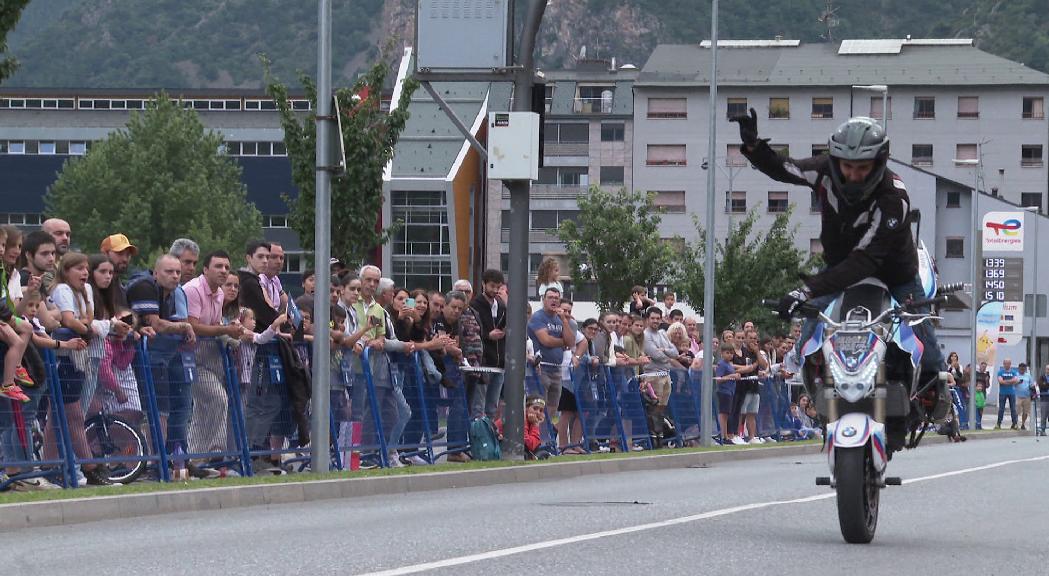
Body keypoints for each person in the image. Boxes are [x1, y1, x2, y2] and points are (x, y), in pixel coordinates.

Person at [734, 109, 945, 452]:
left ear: (878, 163)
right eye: (848, 166)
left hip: (894, 276)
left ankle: (926, 402)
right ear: (836, 160)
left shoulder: (894, 197)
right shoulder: (823, 172)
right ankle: (823, 399)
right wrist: (753, 146)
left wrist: (807, 288)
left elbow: (866, 259)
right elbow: (785, 168)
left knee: (928, 346)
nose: (853, 175)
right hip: (838, 271)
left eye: (862, 168)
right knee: (807, 338)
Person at [527, 287, 574, 429]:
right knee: (538, 405)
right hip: (541, 368)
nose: (554, 300)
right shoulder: (538, 317)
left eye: (556, 298)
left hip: (556, 369)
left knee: (553, 407)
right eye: (550, 297)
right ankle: (535, 436)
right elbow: (545, 340)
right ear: (543, 299)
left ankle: (545, 437)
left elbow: (571, 342)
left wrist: (565, 321)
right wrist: (562, 342)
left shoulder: (560, 319)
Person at [470, 269, 506, 420]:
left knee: (492, 407)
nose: (495, 290)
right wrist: (487, 335)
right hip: (483, 361)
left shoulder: (501, 305)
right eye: (492, 286)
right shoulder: (475, 304)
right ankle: (477, 439)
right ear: (484, 284)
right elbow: (471, 331)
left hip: (498, 362)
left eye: (498, 287)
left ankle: (488, 439)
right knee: (479, 407)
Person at [714, 343, 741, 445]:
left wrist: (735, 375)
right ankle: (723, 436)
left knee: (726, 414)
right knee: (723, 414)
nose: (730, 355)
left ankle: (725, 436)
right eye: (727, 353)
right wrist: (732, 375)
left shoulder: (729, 364)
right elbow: (719, 379)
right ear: (722, 353)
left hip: (730, 391)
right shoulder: (721, 364)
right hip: (723, 391)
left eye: (731, 353)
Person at [995, 358, 1019, 430]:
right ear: (1003, 364)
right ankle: (998, 424)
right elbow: (1000, 381)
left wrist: (1005, 381)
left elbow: (1015, 380)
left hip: (1012, 393)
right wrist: (1010, 381)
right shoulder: (1000, 372)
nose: (1007, 365)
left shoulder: (1014, 372)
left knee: (1013, 409)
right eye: (1005, 363)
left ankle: (1014, 424)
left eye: (1008, 363)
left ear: (1010, 364)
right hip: (1002, 393)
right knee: (1001, 409)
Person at [1037, 364, 1049, 436]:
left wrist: (1046, 385)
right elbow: (1041, 385)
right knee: (1044, 415)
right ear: (1045, 370)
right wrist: (1046, 385)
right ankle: (1042, 430)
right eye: (1048, 369)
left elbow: (1045, 385)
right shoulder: (1042, 377)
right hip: (1044, 398)